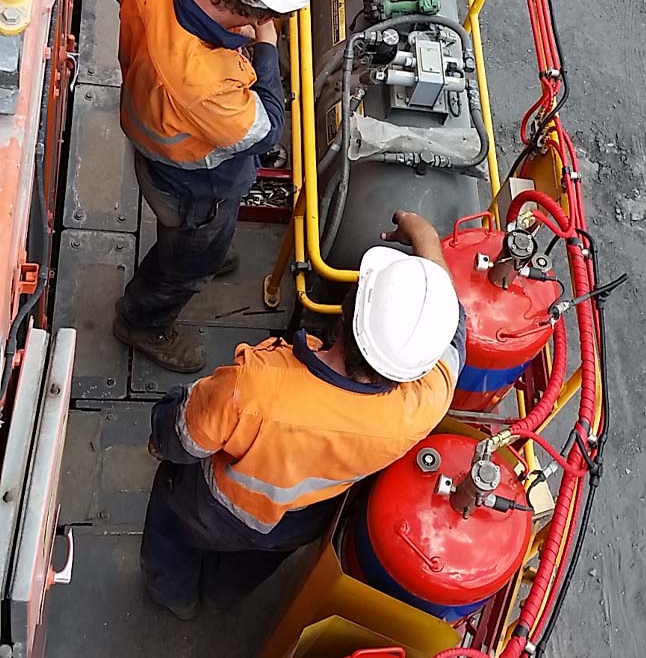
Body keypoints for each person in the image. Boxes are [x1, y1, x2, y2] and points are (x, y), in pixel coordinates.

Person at [139, 211, 466, 620]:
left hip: (212, 506)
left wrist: (160, 433)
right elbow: (454, 329)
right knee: (251, 562)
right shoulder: (425, 402)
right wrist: (428, 237)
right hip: (299, 520)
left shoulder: (257, 388)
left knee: (171, 531)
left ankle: (175, 598)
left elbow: (182, 438)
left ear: (347, 308)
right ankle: (218, 598)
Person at [109, 0, 325, 374]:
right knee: (183, 263)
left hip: (151, 134)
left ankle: (205, 248)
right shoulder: (206, 84)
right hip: (191, 185)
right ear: (265, 13)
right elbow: (265, 130)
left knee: (204, 238)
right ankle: (142, 321)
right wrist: (265, 44)